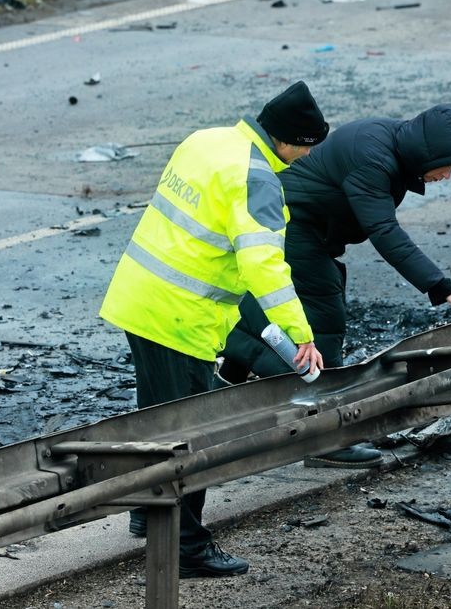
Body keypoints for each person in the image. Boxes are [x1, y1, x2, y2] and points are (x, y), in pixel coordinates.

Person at [99, 81, 330, 578]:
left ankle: (147, 512)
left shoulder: (207, 140)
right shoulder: (258, 179)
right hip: (178, 318)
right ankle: (185, 548)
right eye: (308, 145)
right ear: (289, 140)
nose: (309, 155)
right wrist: (300, 332)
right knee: (192, 435)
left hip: (141, 298)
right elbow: (264, 266)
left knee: (159, 422)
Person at [219, 104, 451, 467]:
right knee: (324, 319)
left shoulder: (393, 146)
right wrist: (444, 288)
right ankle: (328, 439)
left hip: (310, 228)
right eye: (449, 165)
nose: (448, 175)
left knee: (292, 306)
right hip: (296, 225)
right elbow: (385, 232)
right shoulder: (373, 156)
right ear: (431, 153)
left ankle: (228, 376)